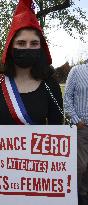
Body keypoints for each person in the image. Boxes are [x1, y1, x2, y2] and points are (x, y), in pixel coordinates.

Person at [0, 0, 63, 125]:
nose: (28, 48)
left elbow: (57, 127)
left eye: (34, 43)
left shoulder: (50, 85)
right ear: (11, 47)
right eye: (21, 43)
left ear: (40, 47)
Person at [64, 63, 88, 205]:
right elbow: (67, 97)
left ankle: (84, 196)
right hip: (82, 128)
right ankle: (74, 197)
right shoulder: (77, 71)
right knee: (81, 166)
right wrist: (76, 121)